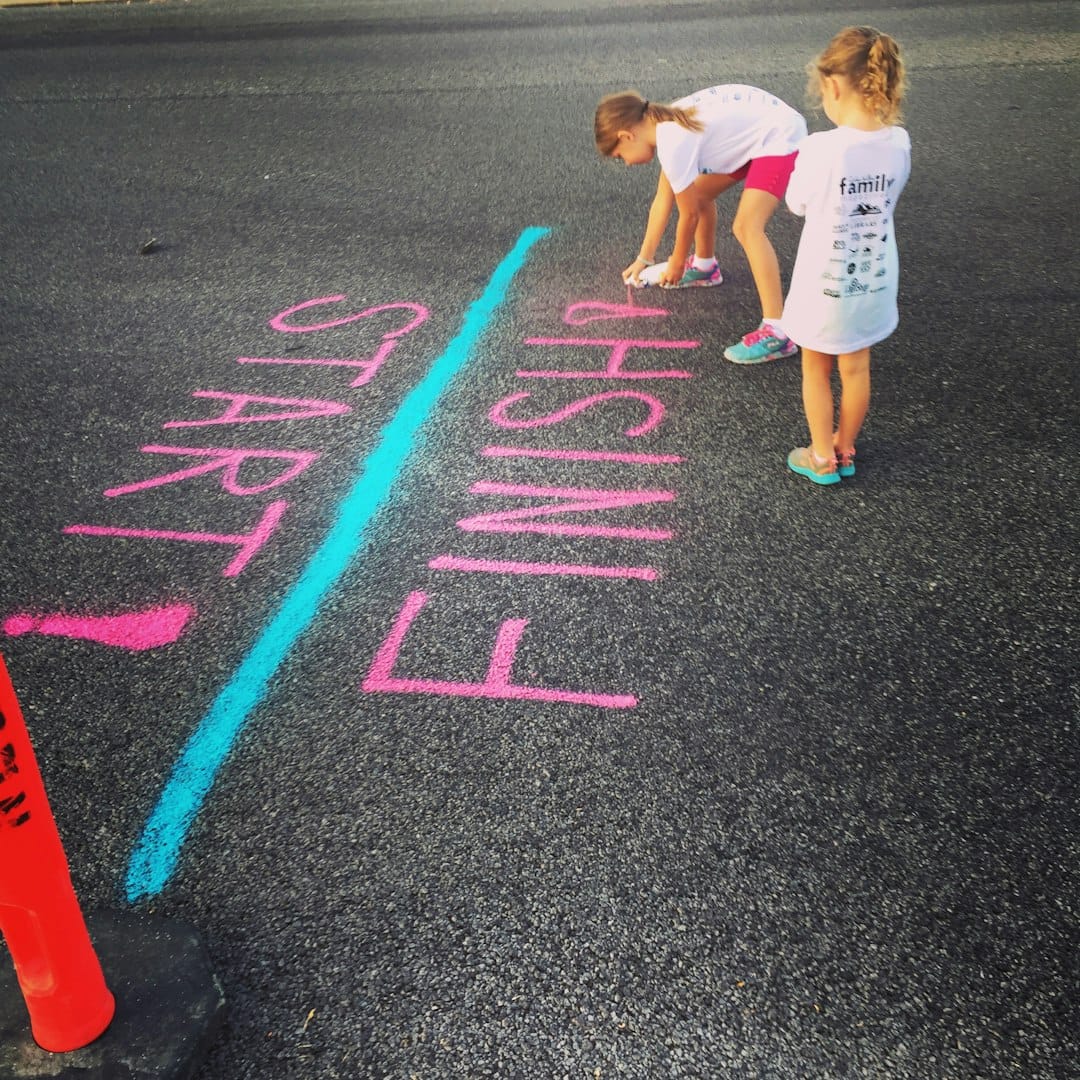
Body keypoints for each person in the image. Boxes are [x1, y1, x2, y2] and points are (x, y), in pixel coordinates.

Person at [595, 85, 807, 364]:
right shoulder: (664, 123)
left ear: (626, 135)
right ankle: (705, 267)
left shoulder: (673, 140)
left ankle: (778, 331)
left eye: (620, 156)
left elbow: (689, 214)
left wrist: (677, 262)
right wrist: (643, 258)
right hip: (755, 134)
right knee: (701, 192)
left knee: (747, 226)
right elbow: (663, 200)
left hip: (779, 136)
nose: (625, 163)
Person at [782, 26, 910, 486]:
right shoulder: (899, 142)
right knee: (856, 368)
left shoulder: (821, 148)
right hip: (874, 278)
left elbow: (796, 203)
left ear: (832, 86)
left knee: (816, 368)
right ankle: (845, 446)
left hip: (825, 283)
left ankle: (820, 457)